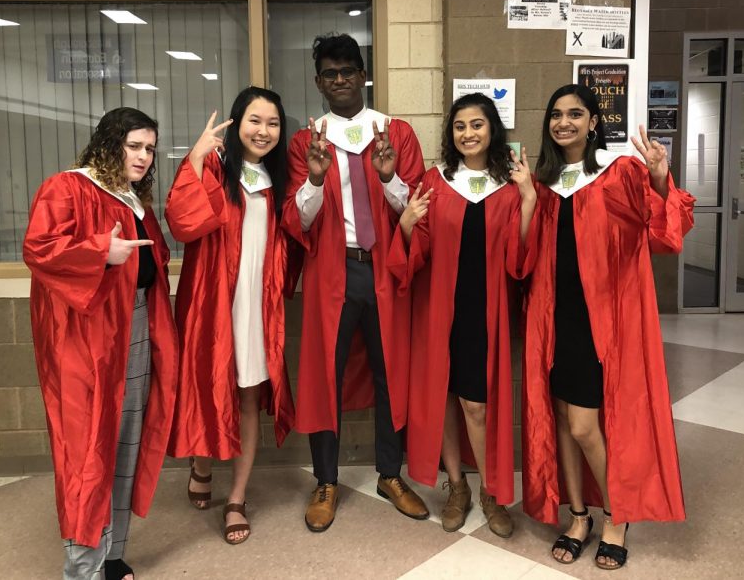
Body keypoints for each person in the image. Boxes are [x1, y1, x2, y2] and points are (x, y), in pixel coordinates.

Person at [521, 84, 693, 570]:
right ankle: (579, 516)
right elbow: (523, 254)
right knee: (561, 423)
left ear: (594, 122)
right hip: (553, 317)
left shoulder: (618, 173)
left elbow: (663, 233)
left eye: (576, 114)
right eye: (556, 115)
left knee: (585, 424)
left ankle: (616, 514)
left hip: (603, 322)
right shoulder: (543, 183)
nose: (564, 123)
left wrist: (660, 180)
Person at [23, 107, 178, 580]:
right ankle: (84, 569)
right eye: (134, 146)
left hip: (134, 331)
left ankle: (112, 558)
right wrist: (98, 252)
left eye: (150, 148)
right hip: (86, 343)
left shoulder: (134, 201)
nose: (144, 156)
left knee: (126, 443)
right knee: (88, 452)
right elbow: (39, 248)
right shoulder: (67, 187)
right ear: (109, 144)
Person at [282, 33, 428, 531]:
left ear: (363, 74)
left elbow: (414, 211)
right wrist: (316, 179)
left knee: (393, 373)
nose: (340, 80)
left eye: (348, 71)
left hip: (384, 268)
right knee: (324, 375)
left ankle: (391, 473)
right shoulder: (308, 141)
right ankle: (326, 480)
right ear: (318, 81)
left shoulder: (395, 133)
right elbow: (297, 221)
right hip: (331, 270)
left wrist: (388, 176)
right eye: (330, 73)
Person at [389, 93, 538, 538]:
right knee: (444, 400)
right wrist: (407, 223)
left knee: (476, 404)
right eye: (459, 126)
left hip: (483, 311)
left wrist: (528, 200)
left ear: (492, 130)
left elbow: (520, 258)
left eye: (477, 124)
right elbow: (418, 252)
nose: (468, 133)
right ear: (451, 134)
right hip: (439, 309)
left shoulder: (510, 186)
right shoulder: (437, 181)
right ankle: (457, 487)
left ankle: (491, 490)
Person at [166, 87, 295, 545]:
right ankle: (201, 463)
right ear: (238, 124)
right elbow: (183, 223)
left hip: (258, 309)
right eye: (255, 121)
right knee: (206, 387)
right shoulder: (217, 171)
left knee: (247, 399)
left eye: (273, 123)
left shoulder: (280, 181)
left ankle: (237, 497)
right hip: (213, 303)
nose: (264, 131)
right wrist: (196, 160)